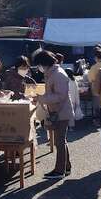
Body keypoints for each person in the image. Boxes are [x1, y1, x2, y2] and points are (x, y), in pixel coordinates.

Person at [32, 49, 74, 179]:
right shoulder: (53, 73)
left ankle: (59, 170)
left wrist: (41, 98)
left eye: (38, 64)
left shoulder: (57, 74)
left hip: (61, 111)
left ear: (44, 63)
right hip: (59, 111)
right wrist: (42, 97)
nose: (38, 68)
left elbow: (59, 96)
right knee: (61, 141)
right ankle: (66, 167)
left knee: (59, 142)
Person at [88, 48, 101, 127]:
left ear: (96, 57)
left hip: (96, 89)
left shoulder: (94, 67)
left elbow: (90, 79)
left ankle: (97, 121)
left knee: (96, 106)